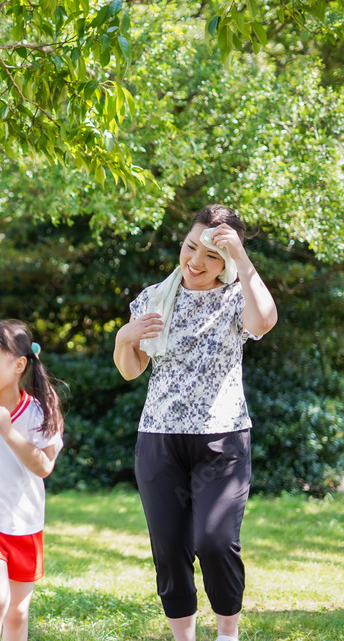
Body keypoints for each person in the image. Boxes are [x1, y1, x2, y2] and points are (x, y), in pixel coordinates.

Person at [112, 204, 277, 641]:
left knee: (215, 542)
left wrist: (242, 260)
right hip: (159, 440)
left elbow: (264, 320)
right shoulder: (153, 297)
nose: (195, 262)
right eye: (190, 248)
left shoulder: (237, 296)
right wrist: (123, 337)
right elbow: (131, 368)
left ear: (226, 262)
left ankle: (227, 635)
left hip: (222, 439)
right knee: (169, 550)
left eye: (211, 256)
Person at [0, 319, 65, 641]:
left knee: (17, 613)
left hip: (25, 522)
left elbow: (44, 467)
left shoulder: (41, 412)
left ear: (19, 364)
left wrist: (8, 432)